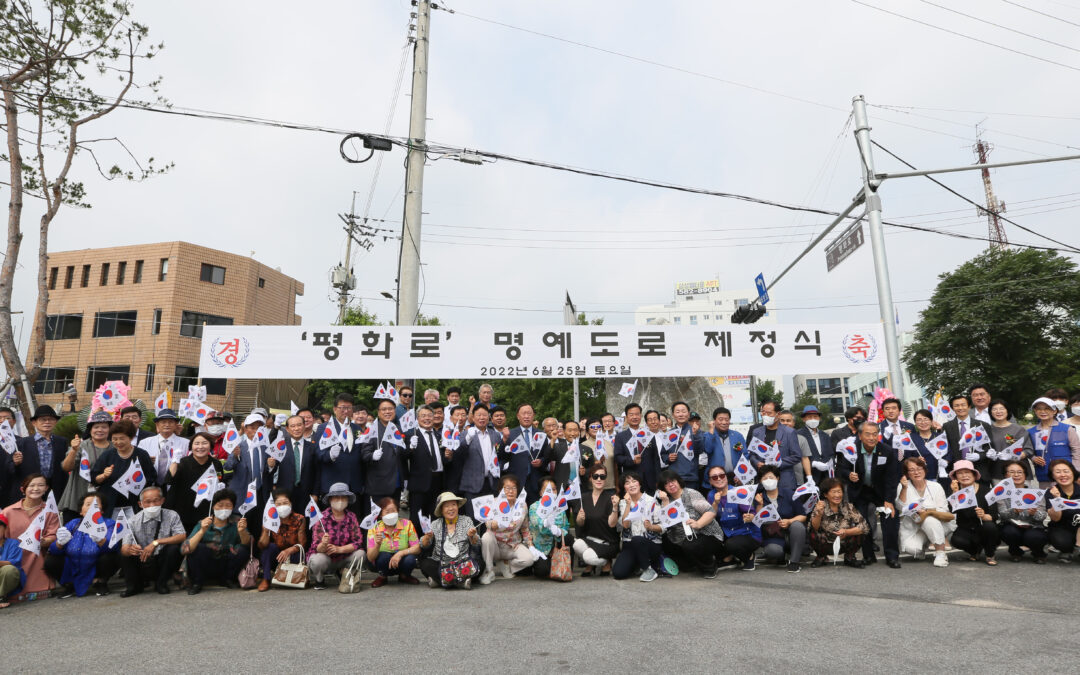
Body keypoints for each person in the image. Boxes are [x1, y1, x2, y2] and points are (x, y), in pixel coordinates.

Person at [836, 422, 901, 568]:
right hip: (860, 490)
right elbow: (841, 469)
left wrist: (889, 500)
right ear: (860, 435)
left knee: (890, 518)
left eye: (874, 434)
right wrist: (849, 475)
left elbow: (892, 478)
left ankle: (892, 556)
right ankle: (868, 556)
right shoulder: (851, 450)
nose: (872, 437)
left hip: (881, 491)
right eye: (867, 434)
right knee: (862, 522)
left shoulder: (887, 451)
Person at [45, 493, 121, 598]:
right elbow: (54, 550)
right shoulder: (73, 523)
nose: (92, 507)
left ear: (102, 510)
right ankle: (69, 585)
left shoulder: (110, 524)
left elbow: (113, 547)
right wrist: (60, 543)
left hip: (96, 563)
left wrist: (100, 540)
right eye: (88, 504)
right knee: (51, 560)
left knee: (111, 557)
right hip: (73, 564)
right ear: (81, 511)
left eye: (95, 504)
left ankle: (100, 582)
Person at [119, 486, 186, 596]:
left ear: (162, 501)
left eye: (156, 501)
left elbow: (181, 536)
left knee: (173, 549)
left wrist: (157, 542)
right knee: (123, 555)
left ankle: (161, 583)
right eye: (148, 502)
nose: (152, 505)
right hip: (142, 560)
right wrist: (130, 550)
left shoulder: (172, 515)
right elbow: (124, 548)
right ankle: (134, 586)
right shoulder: (132, 521)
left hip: (161, 559)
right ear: (140, 504)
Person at [182, 489, 250, 595]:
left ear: (233, 507)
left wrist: (242, 532)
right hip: (206, 563)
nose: (224, 509)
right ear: (213, 507)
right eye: (220, 505)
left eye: (228, 505)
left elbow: (247, 544)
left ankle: (227, 579)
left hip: (226, 563)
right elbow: (185, 549)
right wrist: (202, 531)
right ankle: (197, 582)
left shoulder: (237, 521)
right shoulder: (203, 523)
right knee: (198, 548)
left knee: (243, 550)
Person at [657, 469, 724, 577]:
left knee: (690, 546)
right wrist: (665, 502)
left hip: (706, 534)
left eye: (672, 480)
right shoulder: (667, 500)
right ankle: (691, 563)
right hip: (682, 538)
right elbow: (666, 524)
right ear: (663, 488)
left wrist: (698, 524)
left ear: (678, 481)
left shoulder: (690, 494)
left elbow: (710, 511)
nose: (670, 485)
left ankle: (710, 567)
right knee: (664, 541)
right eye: (666, 483)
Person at [2, 474, 59, 594]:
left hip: (38, 554)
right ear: (23, 489)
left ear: (46, 488)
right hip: (12, 555)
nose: (36, 488)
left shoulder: (50, 511)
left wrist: (45, 541)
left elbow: (54, 535)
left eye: (41, 485)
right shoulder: (8, 511)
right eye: (31, 485)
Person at [314, 395, 366, 523]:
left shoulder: (357, 429)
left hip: (353, 484)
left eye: (349, 408)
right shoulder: (324, 428)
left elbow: (360, 454)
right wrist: (329, 456)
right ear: (335, 409)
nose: (346, 411)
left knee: (353, 521)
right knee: (331, 523)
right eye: (342, 407)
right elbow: (318, 454)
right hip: (332, 483)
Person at [896, 457, 955, 567]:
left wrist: (928, 511)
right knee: (912, 549)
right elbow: (900, 507)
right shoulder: (903, 486)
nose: (916, 472)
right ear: (907, 473)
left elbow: (943, 510)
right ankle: (927, 542)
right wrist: (904, 488)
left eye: (919, 468)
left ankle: (940, 553)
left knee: (929, 520)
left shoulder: (936, 486)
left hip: (939, 523)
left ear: (925, 470)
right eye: (912, 470)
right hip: (914, 525)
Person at [91, 420, 157, 516]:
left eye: (122, 438)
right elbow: (94, 479)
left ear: (131, 438)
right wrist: (104, 475)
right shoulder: (107, 455)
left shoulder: (141, 455)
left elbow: (151, 477)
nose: (118, 442)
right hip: (110, 506)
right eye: (114, 439)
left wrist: (138, 482)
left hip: (134, 505)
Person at [57, 411, 113, 523]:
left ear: (110, 429)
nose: (100, 430)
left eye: (104, 427)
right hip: (77, 496)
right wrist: (73, 450)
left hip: (104, 499)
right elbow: (66, 467)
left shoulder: (115, 447)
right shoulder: (82, 445)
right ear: (90, 429)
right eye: (96, 427)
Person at [7, 405, 68, 506]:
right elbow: (9, 468)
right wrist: (15, 463)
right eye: (43, 420)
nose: (47, 422)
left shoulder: (61, 442)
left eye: (51, 419)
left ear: (55, 422)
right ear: (34, 423)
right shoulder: (21, 443)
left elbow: (63, 467)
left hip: (53, 490)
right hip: (30, 490)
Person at [308, 482, 365, 589]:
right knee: (317, 560)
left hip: (344, 556)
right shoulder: (321, 518)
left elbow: (358, 542)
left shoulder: (352, 517)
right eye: (336, 498)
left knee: (361, 554)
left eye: (343, 498)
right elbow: (316, 547)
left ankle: (344, 573)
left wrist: (339, 549)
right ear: (330, 500)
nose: (340, 501)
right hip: (326, 557)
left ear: (347, 500)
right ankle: (319, 579)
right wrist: (324, 544)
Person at [478, 475, 534, 585]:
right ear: (500, 490)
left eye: (514, 488)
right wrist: (491, 524)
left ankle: (508, 565)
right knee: (486, 537)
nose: (511, 491)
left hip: (513, 545)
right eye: (507, 488)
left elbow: (525, 528)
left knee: (529, 559)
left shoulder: (522, 505)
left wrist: (530, 544)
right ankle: (489, 571)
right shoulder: (492, 502)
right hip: (495, 545)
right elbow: (486, 521)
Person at [419, 492, 480, 589]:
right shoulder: (435, 524)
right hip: (441, 563)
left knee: (480, 563)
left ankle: (440, 581)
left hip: (463, 562)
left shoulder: (466, 520)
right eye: (447, 506)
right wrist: (427, 537)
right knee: (425, 563)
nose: (451, 508)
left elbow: (477, 543)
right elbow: (423, 545)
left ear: (457, 506)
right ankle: (460, 582)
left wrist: (472, 536)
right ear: (441, 510)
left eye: (453, 505)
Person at [164, 432, 223, 533]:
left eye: (204, 443)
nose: (200, 447)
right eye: (196, 443)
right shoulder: (183, 462)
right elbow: (169, 480)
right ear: (191, 446)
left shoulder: (216, 463)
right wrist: (175, 461)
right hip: (183, 510)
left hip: (205, 511)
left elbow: (220, 478)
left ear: (210, 446)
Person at [705, 467, 760, 571]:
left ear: (726, 477)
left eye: (721, 475)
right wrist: (715, 503)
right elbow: (710, 515)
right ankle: (729, 558)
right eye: (714, 477)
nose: (719, 479)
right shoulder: (711, 495)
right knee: (708, 537)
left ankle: (749, 557)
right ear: (710, 481)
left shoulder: (737, 491)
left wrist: (750, 517)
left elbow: (752, 513)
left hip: (746, 532)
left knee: (731, 544)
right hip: (727, 532)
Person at [611, 471, 663, 581]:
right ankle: (637, 564)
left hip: (650, 544)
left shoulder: (651, 501)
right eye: (627, 483)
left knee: (637, 540)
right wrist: (629, 504)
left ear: (640, 484)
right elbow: (625, 525)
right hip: (630, 545)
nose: (631, 485)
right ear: (624, 487)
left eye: (634, 481)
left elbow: (663, 527)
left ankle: (649, 569)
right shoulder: (623, 503)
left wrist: (651, 527)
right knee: (618, 573)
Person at [755, 465, 808, 573]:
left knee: (797, 525)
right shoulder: (758, 497)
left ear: (778, 478)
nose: (768, 481)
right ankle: (781, 556)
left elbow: (803, 515)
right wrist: (760, 504)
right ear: (760, 481)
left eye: (771, 477)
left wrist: (789, 521)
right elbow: (757, 521)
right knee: (773, 552)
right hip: (773, 536)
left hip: (791, 534)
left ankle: (794, 562)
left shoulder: (790, 494)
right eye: (764, 478)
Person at [947, 460, 999, 565]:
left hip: (983, 527)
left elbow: (994, 515)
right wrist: (955, 493)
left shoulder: (987, 491)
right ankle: (974, 551)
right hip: (965, 528)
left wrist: (984, 515)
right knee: (956, 540)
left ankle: (990, 554)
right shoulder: (954, 491)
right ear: (956, 477)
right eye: (960, 473)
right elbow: (952, 511)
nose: (964, 475)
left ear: (974, 475)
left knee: (990, 527)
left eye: (967, 472)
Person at [455, 406, 502, 520]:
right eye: (479, 415)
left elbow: (499, 455)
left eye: (484, 415)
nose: (482, 418)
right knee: (472, 519)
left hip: (491, 483)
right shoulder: (465, 434)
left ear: (489, 418)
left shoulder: (494, 435)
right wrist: (468, 438)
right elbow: (458, 453)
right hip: (472, 484)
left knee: (490, 520)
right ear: (473, 417)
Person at [809, 477, 869, 567]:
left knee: (861, 532)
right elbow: (814, 528)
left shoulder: (848, 506)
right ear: (826, 494)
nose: (837, 495)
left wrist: (847, 532)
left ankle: (850, 557)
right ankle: (821, 557)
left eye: (839, 491)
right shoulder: (820, 506)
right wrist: (818, 514)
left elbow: (865, 526)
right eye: (833, 492)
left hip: (844, 542)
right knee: (812, 533)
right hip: (826, 543)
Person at [403, 405, 445, 536]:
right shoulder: (411, 434)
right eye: (423, 416)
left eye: (429, 415)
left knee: (435, 516)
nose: (427, 418)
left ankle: (432, 548)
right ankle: (416, 548)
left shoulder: (438, 435)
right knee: (417, 518)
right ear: (417, 418)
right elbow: (402, 456)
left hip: (438, 481)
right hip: (420, 483)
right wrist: (410, 447)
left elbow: (442, 457)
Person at [256, 489, 307, 592]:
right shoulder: (269, 519)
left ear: (291, 504)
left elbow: (303, 543)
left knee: (299, 553)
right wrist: (265, 532)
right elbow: (261, 545)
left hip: (293, 555)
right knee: (269, 548)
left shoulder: (299, 519)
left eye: (285, 503)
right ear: (273, 506)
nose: (282, 506)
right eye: (278, 504)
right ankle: (266, 579)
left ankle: (299, 578)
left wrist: (289, 550)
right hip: (277, 557)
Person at [997, 460, 1048, 563]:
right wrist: (1014, 511)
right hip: (1012, 525)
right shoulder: (1001, 493)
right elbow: (1002, 515)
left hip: (1033, 526)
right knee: (1009, 532)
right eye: (1011, 472)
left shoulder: (1036, 493)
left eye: (1020, 472)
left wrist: (1035, 513)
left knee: (1034, 536)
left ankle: (1038, 553)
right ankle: (1015, 551)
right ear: (1005, 475)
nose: (1016, 475)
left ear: (1025, 475)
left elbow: (1042, 516)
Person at [573, 463, 619, 576]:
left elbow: (612, 524)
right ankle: (591, 563)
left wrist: (615, 507)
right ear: (590, 478)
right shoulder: (583, 498)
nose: (599, 479)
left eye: (602, 476)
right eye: (595, 476)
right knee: (577, 544)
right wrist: (580, 518)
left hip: (607, 543)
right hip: (589, 540)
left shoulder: (611, 498)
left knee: (588, 556)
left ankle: (606, 561)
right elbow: (580, 523)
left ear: (605, 479)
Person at [365, 497, 420, 587]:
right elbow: (370, 557)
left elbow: (417, 548)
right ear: (381, 515)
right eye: (387, 512)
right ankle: (382, 577)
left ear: (398, 511)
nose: (391, 514)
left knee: (410, 559)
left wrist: (401, 553)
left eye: (393, 511)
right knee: (383, 556)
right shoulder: (375, 527)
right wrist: (377, 545)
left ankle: (404, 576)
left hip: (402, 561)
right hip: (383, 562)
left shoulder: (407, 524)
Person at [749, 400, 801, 493]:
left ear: (778, 414)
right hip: (763, 481)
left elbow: (796, 456)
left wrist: (776, 463)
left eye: (769, 413)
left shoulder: (789, 432)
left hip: (784, 481)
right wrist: (757, 463)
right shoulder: (757, 432)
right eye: (763, 413)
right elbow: (752, 455)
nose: (765, 416)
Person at [503, 404, 551, 504]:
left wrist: (541, 461)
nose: (526, 416)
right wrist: (504, 440)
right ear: (518, 416)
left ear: (533, 416)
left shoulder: (541, 434)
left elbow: (547, 456)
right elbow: (503, 456)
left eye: (529, 413)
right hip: (516, 481)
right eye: (523, 413)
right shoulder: (510, 434)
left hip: (536, 481)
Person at [1027, 397, 1080, 486]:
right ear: (1035, 411)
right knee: (1047, 499)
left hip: (1066, 476)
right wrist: (1034, 458)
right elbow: (1028, 451)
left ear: (1054, 411)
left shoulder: (1067, 429)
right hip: (1044, 476)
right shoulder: (1031, 432)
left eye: (1047, 408)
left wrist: (1076, 472)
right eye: (1039, 409)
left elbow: (1077, 451)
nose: (1043, 411)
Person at [528, 478, 574, 580]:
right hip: (542, 549)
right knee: (542, 572)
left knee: (569, 537)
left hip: (557, 546)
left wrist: (559, 532)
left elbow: (565, 526)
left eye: (553, 489)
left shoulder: (560, 507)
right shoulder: (534, 507)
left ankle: (565, 566)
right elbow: (537, 525)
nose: (551, 492)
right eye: (547, 490)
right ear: (541, 492)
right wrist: (546, 523)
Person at [278, 414, 319, 515]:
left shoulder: (312, 448)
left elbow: (317, 472)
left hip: (306, 493)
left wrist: (315, 493)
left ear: (304, 426)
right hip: (285, 494)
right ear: (287, 429)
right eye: (293, 426)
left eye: (299, 425)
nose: (296, 428)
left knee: (304, 523)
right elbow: (271, 470)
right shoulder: (280, 447)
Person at [138, 408, 190, 485]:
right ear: (157, 424)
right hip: (150, 485)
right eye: (163, 422)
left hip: (176, 484)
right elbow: (137, 463)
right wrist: (146, 461)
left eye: (171, 422)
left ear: (176, 425)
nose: (167, 425)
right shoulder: (145, 443)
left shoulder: (186, 443)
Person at [986, 399, 1032, 482]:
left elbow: (1028, 450)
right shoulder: (988, 430)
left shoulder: (1018, 429)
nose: (998, 411)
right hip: (997, 472)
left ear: (1007, 411)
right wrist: (989, 455)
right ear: (990, 412)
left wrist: (1013, 456)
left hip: (1018, 472)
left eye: (1002, 408)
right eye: (995, 409)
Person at [943, 394, 991, 473]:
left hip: (979, 470)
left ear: (969, 406)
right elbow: (946, 449)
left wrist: (979, 456)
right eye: (957, 405)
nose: (960, 408)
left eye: (963, 405)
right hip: (957, 472)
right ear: (952, 408)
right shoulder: (947, 427)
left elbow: (989, 447)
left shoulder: (982, 425)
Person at [1045, 459, 1080, 562]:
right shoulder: (1051, 492)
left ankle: (1077, 548)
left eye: (1066, 471)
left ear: (1073, 472)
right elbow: (1056, 518)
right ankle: (1067, 550)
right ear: (1053, 476)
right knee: (1061, 542)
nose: (1063, 475)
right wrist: (1057, 499)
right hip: (1061, 528)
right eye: (1058, 472)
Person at [704, 407, 747, 487]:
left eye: (727, 419)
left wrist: (741, 474)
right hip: (716, 479)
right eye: (720, 419)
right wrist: (711, 431)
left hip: (735, 478)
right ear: (714, 420)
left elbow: (745, 456)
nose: (724, 422)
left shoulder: (737, 436)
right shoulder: (707, 436)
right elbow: (708, 449)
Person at [663, 402, 704, 486]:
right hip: (673, 477)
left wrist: (695, 435)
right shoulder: (669, 433)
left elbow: (699, 450)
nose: (681, 414)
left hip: (690, 476)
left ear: (688, 414)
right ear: (673, 415)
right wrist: (668, 457)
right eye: (677, 412)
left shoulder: (696, 431)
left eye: (683, 411)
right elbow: (663, 454)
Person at [908, 409, 949, 490]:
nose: (923, 422)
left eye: (926, 419)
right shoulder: (911, 438)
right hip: (920, 478)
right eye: (919, 420)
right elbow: (907, 457)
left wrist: (946, 461)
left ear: (931, 421)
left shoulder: (939, 436)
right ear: (915, 423)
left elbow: (949, 453)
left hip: (941, 476)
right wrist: (915, 461)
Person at [798, 406, 834, 486]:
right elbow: (797, 457)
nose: (813, 419)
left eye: (815, 417)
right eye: (809, 417)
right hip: (808, 478)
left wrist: (829, 464)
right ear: (803, 419)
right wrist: (813, 463)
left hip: (826, 478)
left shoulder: (825, 435)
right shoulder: (799, 435)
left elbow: (831, 454)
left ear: (819, 419)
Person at [0, 512, 26, 608]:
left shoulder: (13, 543)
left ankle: (1, 596)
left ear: (5, 529)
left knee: (10, 569)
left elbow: (14, 562)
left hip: (5, 577)